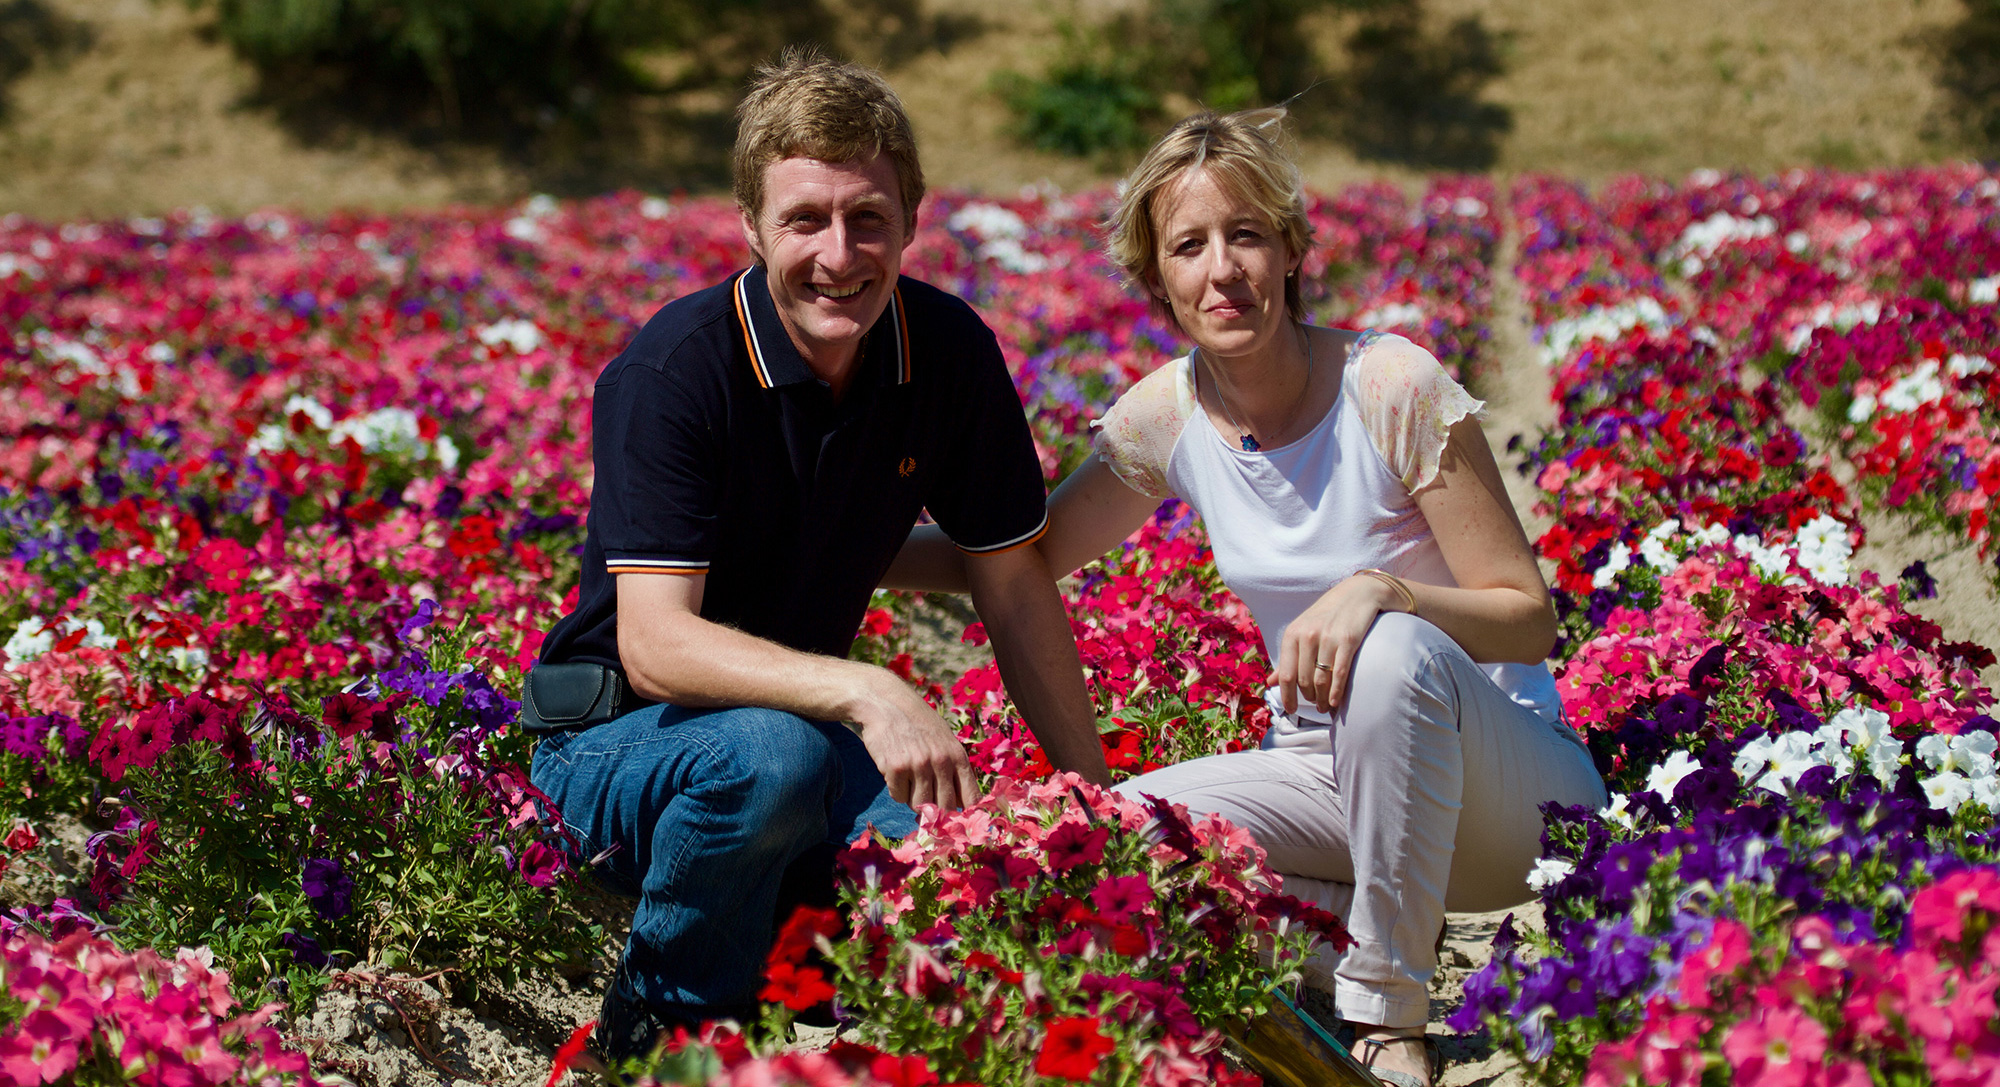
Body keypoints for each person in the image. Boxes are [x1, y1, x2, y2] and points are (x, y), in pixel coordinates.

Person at [890, 108, 1606, 1087]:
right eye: (1188, 245)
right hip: (1331, 789)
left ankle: (1388, 1021)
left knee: (1388, 650)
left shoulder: (1389, 385)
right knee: (1114, 840)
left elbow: (1528, 613)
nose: (1221, 268)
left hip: (1508, 797)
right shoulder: (1168, 415)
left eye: (1246, 235)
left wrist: (1381, 590)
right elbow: (1022, 554)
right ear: (1156, 279)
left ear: (1292, 249)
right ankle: (1332, 953)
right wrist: (844, 555)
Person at [527, 48, 1109, 1061]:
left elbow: (1010, 584)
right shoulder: (677, 369)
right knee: (771, 759)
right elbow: (656, 646)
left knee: (938, 839)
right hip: (618, 747)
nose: (838, 254)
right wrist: (869, 691)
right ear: (751, 226)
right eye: (804, 220)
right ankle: (665, 1030)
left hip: (791, 740)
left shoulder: (946, 353)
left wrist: (1091, 807)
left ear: (910, 222)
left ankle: (816, 1020)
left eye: (867, 218)